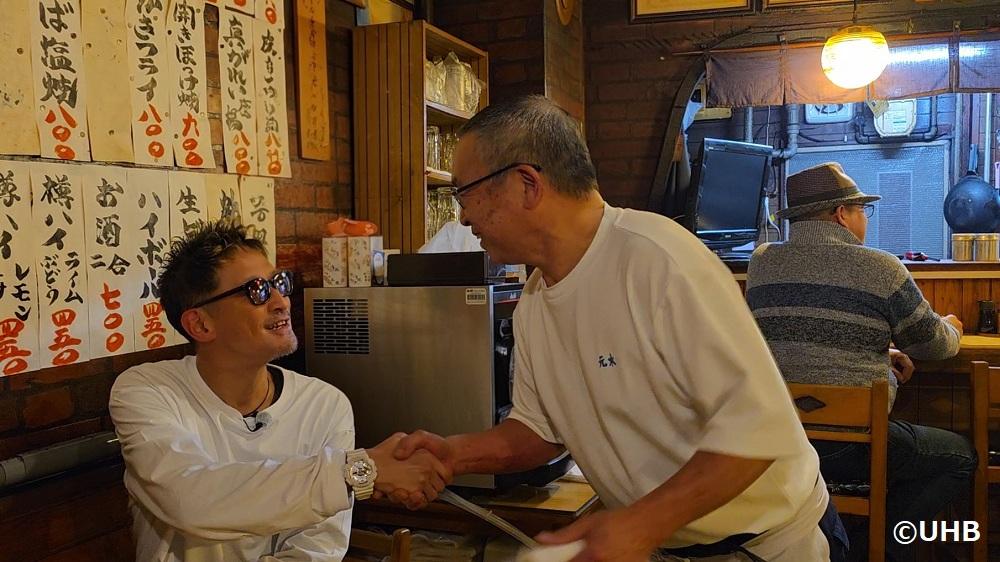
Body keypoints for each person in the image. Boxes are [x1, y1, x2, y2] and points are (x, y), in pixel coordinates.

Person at [390, 95, 847, 562]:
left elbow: (756, 429)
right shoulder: (533, 302)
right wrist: (454, 454)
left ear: (527, 184)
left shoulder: (658, 260)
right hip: (669, 547)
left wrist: (640, 524)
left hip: (768, 547)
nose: (461, 216)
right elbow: (539, 429)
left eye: (464, 193)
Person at [110, 220, 449, 562]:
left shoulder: (324, 405)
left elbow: (315, 550)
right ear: (200, 324)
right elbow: (187, 498)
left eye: (279, 283)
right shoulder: (147, 391)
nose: (282, 302)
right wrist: (355, 471)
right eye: (257, 290)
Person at [745, 161, 976, 561]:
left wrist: (879, 355)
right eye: (861, 210)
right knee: (958, 457)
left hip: (782, 444)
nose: (863, 219)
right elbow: (935, 346)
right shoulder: (880, 268)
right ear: (841, 214)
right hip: (850, 450)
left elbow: (799, 339)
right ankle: (876, 545)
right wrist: (952, 325)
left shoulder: (762, 263)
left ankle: (844, 538)